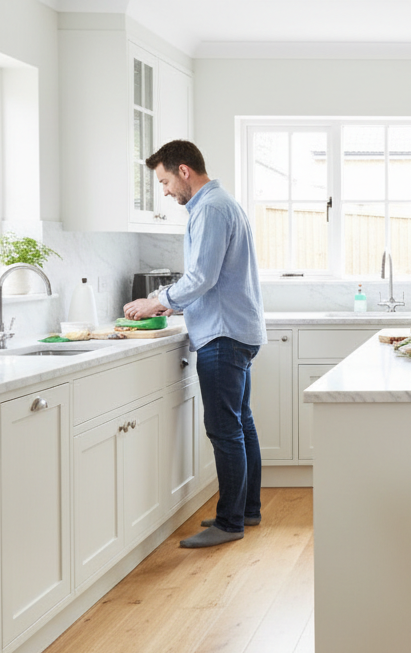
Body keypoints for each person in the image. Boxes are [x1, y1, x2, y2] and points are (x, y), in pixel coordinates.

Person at [124, 139, 265, 549]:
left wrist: (158, 300)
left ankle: (229, 521)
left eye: (166, 181)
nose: (165, 191)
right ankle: (247, 508)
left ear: (184, 171)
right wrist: (171, 304)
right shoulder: (220, 204)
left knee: (225, 430)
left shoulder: (211, 208)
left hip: (223, 333)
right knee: (241, 423)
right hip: (237, 329)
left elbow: (201, 276)